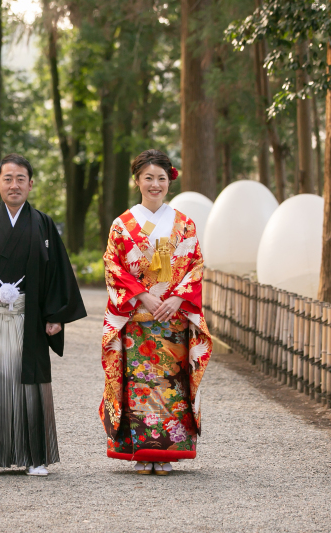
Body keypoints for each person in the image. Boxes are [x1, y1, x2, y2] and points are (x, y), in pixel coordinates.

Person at [0, 153, 86, 478]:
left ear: (30, 184)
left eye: (20, 179)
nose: (14, 185)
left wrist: (55, 315)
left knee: (30, 385)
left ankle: (34, 457)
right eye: (7, 179)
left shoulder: (43, 224)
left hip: (30, 318)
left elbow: (58, 273)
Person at [99, 149, 213, 476]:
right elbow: (113, 266)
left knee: (170, 386)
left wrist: (177, 299)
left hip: (172, 320)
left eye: (161, 178)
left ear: (169, 181)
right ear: (137, 181)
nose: (155, 184)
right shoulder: (122, 226)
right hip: (138, 319)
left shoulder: (184, 224)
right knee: (139, 385)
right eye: (148, 177)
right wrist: (142, 296)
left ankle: (164, 453)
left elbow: (195, 266)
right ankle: (141, 450)